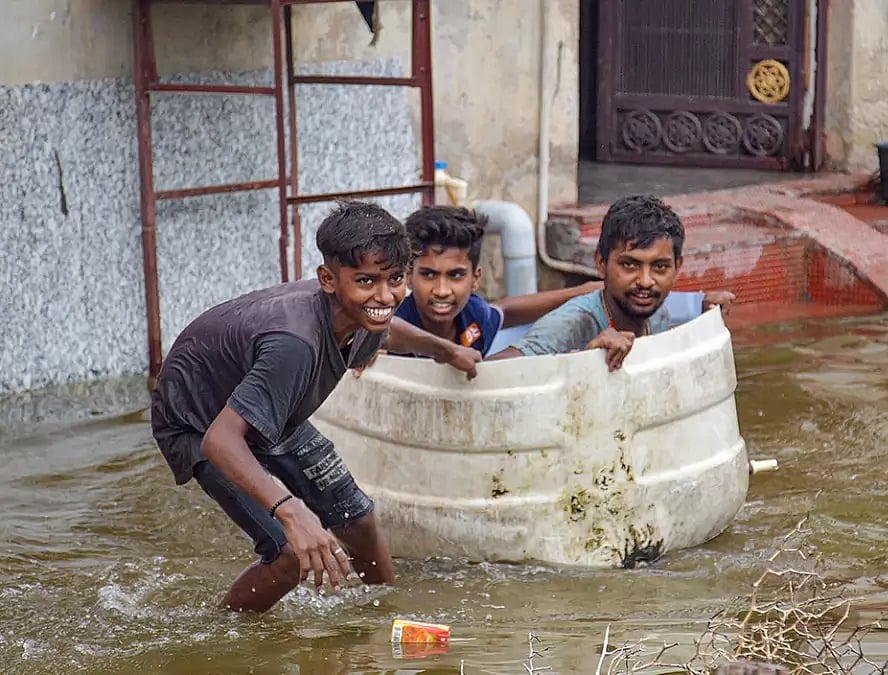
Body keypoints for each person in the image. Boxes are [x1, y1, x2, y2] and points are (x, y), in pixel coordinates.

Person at [149, 200, 481, 613]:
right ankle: (220, 635)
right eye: (366, 281)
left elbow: (389, 328)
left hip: (274, 411)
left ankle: (383, 621)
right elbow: (221, 441)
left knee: (357, 519)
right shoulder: (295, 343)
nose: (385, 295)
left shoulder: (367, 313)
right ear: (327, 279)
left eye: (396, 279)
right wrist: (292, 513)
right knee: (291, 553)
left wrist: (446, 351)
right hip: (199, 422)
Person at [488, 194, 734, 370]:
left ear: (677, 267)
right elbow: (484, 375)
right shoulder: (572, 324)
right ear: (601, 264)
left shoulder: (656, 312)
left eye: (660, 267)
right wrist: (584, 361)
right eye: (629, 265)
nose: (646, 281)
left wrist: (702, 308)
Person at [390, 205, 602, 357]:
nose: (442, 290)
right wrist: (449, 352)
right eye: (428, 274)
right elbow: (386, 330)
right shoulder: (393, 321)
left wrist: (581, 292)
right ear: (408, 276)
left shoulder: (474, 315)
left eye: (455, 275)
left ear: (475, 279)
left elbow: (505, 311)